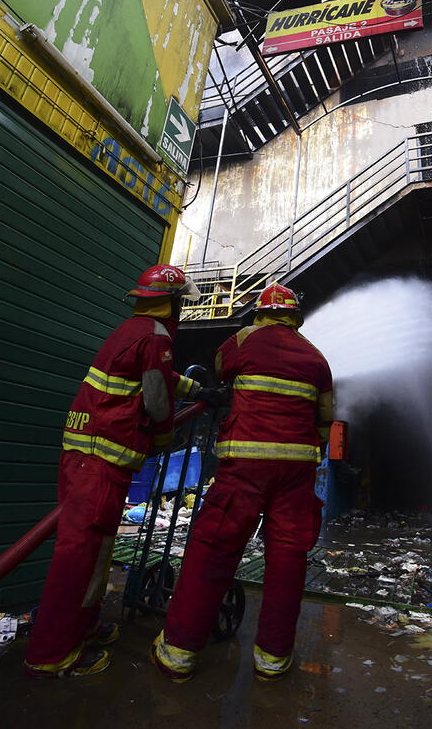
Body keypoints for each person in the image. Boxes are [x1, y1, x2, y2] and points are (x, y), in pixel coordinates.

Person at [25, 264, 221, 677]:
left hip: (86, 457)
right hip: (100, 461)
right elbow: (157, 402)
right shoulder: (157, 337)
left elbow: (154, 378)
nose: (182, 311)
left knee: (95, 554)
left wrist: (197, 391)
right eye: (181, 303)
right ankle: (51, 653)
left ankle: (85, 626)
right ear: (169, 302)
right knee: (79, 558)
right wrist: (164, 438)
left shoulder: (133, 331)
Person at [152, 282, 334, 682]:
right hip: (296, 471)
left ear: (262, 311)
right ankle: (273, 659)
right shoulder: (318, 358)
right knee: (287, 559)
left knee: (214, 548)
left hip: (245, 465)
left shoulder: (244, 339)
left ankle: (179, 652)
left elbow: (220, 366)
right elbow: (325, 418)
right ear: (295, 314)